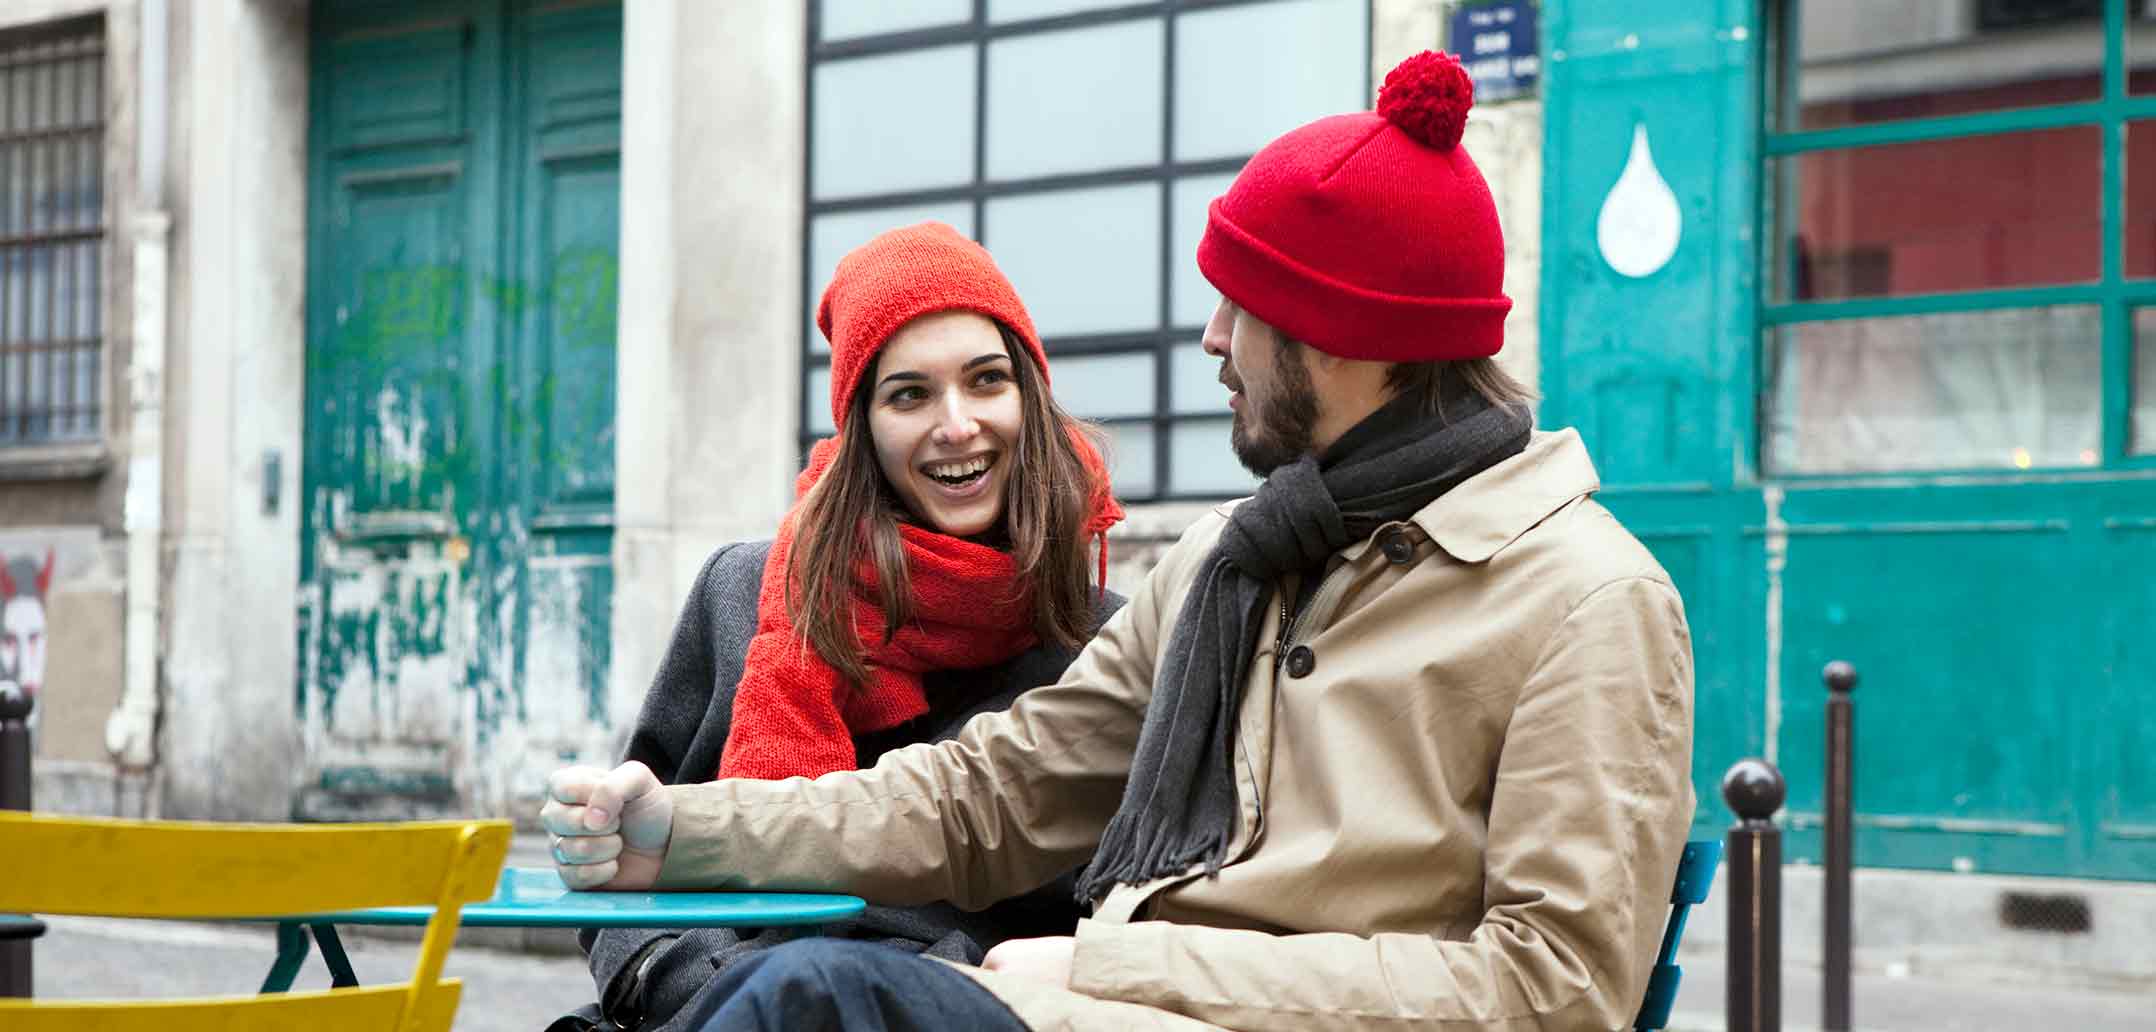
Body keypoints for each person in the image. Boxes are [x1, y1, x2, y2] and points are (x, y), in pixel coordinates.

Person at [543, 51, 1694, 1032]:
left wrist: (1112, 963)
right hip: (1074, 1005)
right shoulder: (1233, 562)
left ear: (1343, 340)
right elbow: (985, 796)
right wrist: (678, 830)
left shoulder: (1587, 601)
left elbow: (1553, 991)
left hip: (1115, 1001)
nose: (1209, 337)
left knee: (816, 1002)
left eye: (1240, 305)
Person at [550, 222, 1127, 1032]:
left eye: (987, 381)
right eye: (909, 394)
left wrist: (913, 989)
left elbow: (1120, 906)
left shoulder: (1107, 641)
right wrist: (679, 977)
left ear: (1029, 396)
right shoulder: (745, 591)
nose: (956, 424)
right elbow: (626, 861)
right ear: (863, 427)